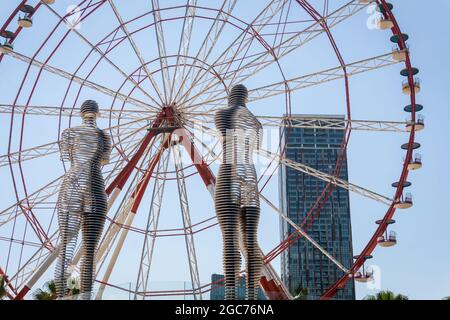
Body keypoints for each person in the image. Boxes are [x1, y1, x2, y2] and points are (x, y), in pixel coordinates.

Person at [55, 100, 111, 299]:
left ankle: (62, 295)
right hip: (95, 188)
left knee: (66, 247)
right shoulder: (105, 136)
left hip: (72, 185)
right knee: (89, 252)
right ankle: (85, 296)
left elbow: (66, 156)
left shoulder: (68, 133)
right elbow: (104, 161)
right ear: (98, 113)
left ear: (81, 113)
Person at [214, 84, 263, 300]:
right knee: (250, 238)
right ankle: (252, 296)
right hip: (250, 176)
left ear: (230, 96)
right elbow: (257, 146)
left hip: (230, 170)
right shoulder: (256, 123)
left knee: (230, 237)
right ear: (247, 96)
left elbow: (224, 134)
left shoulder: (222, 114)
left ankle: (231, 296)